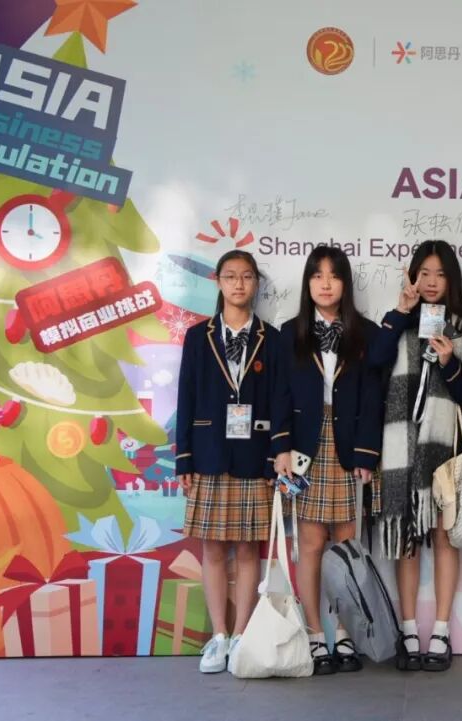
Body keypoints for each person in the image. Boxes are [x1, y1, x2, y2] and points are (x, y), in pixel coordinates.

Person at [176, 249, 289, 674]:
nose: (239, 284)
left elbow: (280, 399)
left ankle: (242, 634)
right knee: (212, 548)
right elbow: (186, 397)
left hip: (253, 453)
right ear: (218, 282)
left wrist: (277, 451)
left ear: (256, 283)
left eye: (246, 277)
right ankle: (218, 636)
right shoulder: (197, 336)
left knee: (247, 548)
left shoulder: (272, 339)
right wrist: (184, 458)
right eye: (230, 276)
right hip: (208, 452)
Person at [367, 240, 462, 672]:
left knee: (445, 536)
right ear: (413, 276)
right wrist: (400, 310)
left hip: (445, 450)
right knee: (406, 538)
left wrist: (449, 362)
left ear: (452, 280)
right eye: (424, 273)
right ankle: (410, 630)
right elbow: (374, 361)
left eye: (440, 274)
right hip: (400, 445)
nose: (431, 282)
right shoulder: (398, 322)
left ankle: (442, 631)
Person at [276, 246, 384, 675]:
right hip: (306, 447)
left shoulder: (365, 333)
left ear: (345, 284)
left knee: (346, 544)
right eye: (317, 275)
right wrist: (281, 447)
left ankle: (344, 632)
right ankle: (315, 634)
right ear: (307, 283)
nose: (325, 284)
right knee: (310, 545)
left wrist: (367, 453)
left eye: (334, 276)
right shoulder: (290, 333)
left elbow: (373, 398)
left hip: (348, 445)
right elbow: (279, 394)